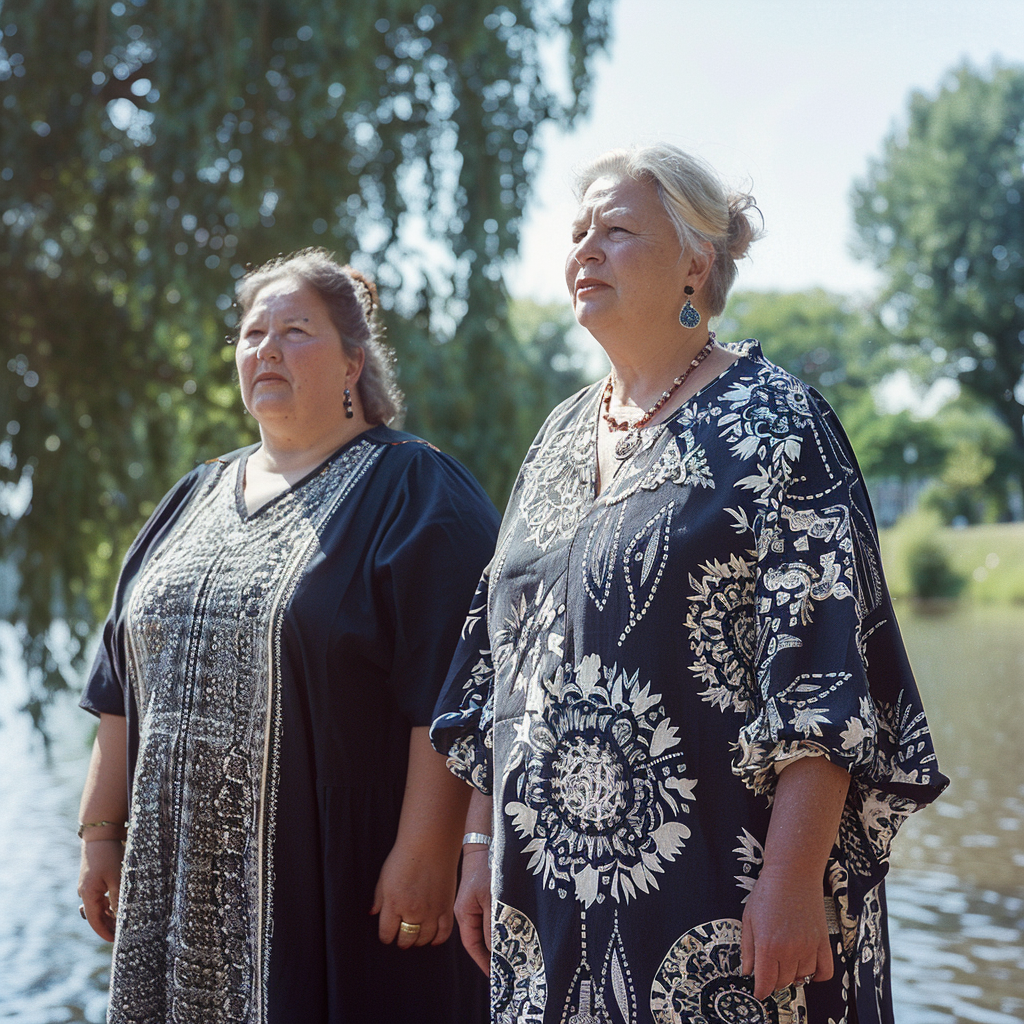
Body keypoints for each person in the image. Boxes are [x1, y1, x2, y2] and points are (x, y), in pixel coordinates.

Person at [431, 145, 948, 1024]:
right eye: (577, 233)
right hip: (545, 904)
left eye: (617, 230)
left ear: (696, 264)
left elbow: (828, 684)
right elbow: (499, 669)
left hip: (720, 900)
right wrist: (479, 844)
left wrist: (788, 882)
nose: (584, 249)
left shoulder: (779, 423)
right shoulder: (555, 438)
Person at [77, 248, 497, 1023]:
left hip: (342, 877)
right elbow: (118, 676)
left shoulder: (417, 490)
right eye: (250, 333)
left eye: (295, 331)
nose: (265, 348)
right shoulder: (193, 496)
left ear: (352, 363)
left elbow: (458, 687)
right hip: (174, 878)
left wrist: (428, 850)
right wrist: (101, 832)